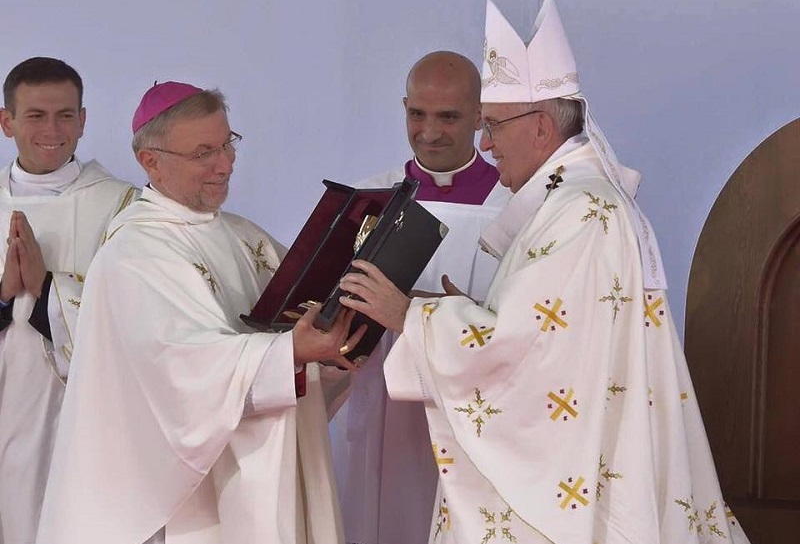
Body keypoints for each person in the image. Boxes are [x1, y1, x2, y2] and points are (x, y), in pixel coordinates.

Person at [339, 0, 752, 544]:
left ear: (539, 126)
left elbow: (522, 352)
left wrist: (410, 315)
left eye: (493, 127)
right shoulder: (572, 199)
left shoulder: (579, 210)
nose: (485, 145)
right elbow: (547, 333)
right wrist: (461, 312)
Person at [36, 81, 363, 544]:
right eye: (204, 152)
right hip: (193, 500)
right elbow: (180, 371)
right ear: (151, 161)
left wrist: (337, 344)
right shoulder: (134, 254)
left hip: (268, 468)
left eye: (228, 144)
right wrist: (288, 352)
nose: (225, 164)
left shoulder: (243, 235)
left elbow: (305, 316)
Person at [330, 50, 510, 544]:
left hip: (473, 411)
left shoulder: (515, 203)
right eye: (417, 114)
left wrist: (425, 309)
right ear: (404, 106)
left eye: (449, 117)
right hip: (383, 405)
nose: (429, 132)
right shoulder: (368, 197)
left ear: (479, 116)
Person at [0, 56, 136, 544]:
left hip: (84, 407)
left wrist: (47, 291)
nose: (52, 129)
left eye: (66, 115)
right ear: (6, 121)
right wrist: (3, 299)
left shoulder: (124, 206)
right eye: (35, 115)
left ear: (83, 120)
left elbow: (136, 310)